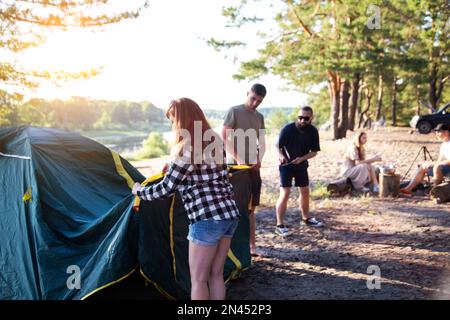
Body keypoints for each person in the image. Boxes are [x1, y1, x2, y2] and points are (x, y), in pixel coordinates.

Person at [132, 98, 240, 300]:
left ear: (181, 120)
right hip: (229, 215)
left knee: (198, 280)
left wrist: (139, 191)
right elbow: (210, 173)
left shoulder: (186, 147)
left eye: (173, 120)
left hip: (206, 219)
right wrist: (172, 169)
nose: (172, 125)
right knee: (215, 275)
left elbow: (166, 189)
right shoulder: (213, 139)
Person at [222, 84, 266, 256]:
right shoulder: (234, 111)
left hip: (253, 168)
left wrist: (259, 159)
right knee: (233, 207)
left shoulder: (260, 117)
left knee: (250, 209)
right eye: (253, 98)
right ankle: (229, 250)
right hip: (235, 168)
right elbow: (225, 139)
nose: (255, 103)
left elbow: (261, 143)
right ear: (247, 94)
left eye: (259, 101)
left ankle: (251, 247)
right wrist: (240, 160)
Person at [274, 106, 323, 237]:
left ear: (311, 118)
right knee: (285, 192)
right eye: (300, 117)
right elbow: (277, 146)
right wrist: (281, 156)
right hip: (286, 165)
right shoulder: (288, 129)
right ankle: (280, 225)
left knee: (305, 191)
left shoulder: (313, 131)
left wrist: (301, 159)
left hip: (301, 164)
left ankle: (306, 218)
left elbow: (314, 152)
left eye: (306, 118)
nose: (302, 120)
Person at [400, 123, 450, 195]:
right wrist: (430, 163)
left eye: (439, 132)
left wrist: (436, 164)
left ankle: (434, 191)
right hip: (445, 166)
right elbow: (440, 159)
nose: (436, 134)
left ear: (447, 132)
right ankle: (408, 188)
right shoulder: (444, 144)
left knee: (437, 167)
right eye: (436, 132)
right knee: (423, 166)